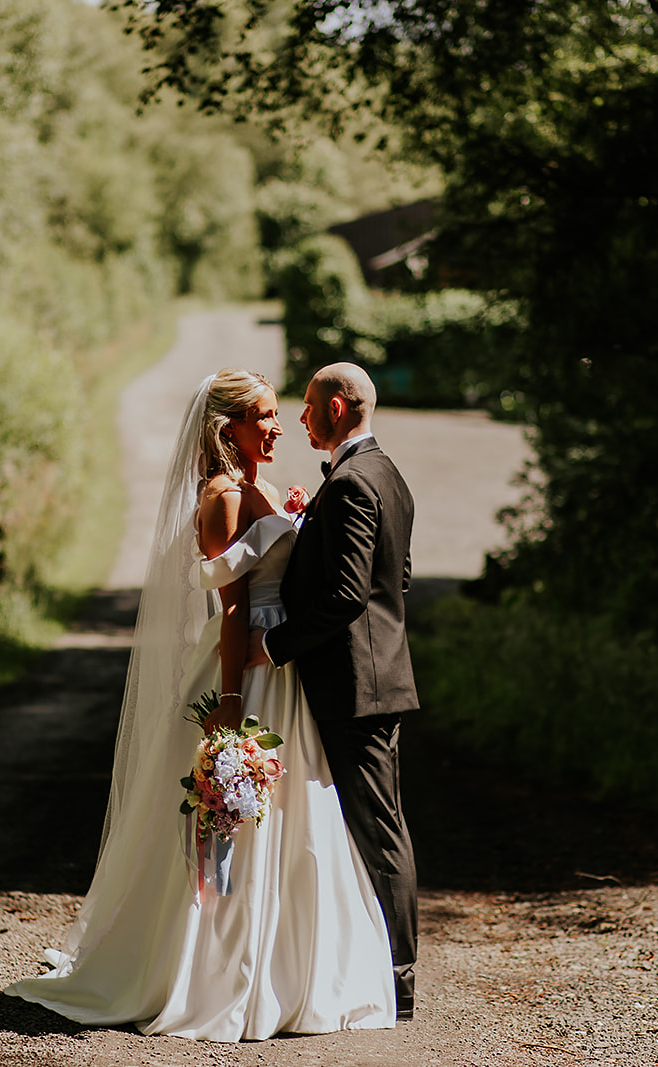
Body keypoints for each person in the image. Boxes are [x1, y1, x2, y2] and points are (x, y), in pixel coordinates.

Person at [5, 369, 396, 1041]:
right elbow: (235, 606)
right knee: (235, 822)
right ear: (228, 429)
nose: (277, 427)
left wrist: (291, 517)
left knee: (292, 820)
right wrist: (235, 705)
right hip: (249, 671)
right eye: (265, 417)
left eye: (281, 414)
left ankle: (286, 968)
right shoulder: (220, 495)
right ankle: (215, 970)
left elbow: (282, 563)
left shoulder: (261, 488)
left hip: (282, 671)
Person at [249, 361, 419, 1019]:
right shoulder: (386, 474)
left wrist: (274, 644)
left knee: (380, 832)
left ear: (341, 407)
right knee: (376, 827)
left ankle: (400, 983)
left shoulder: (351, 482)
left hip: (357, 688)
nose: (301, 418)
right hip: (375, 680)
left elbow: (350, 595)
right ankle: (375, 967)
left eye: (312, 405)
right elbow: (395, 578)